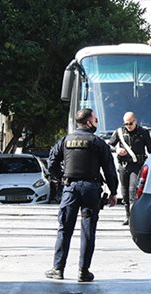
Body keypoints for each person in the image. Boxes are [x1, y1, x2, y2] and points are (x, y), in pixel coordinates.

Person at [45, 109, 118, 282]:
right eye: (95, 119)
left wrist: (61, 177)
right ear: (88, 123)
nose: (96, 122)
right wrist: (113, 192)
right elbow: (109, 169)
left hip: (70, 189)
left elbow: (52, 163)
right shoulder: (98, 142)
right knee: (88, 230)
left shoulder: (65, 140)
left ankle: (58, 269)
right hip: (91, 190)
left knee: (64, 229)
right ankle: (83, 271)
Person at [108, 111, 151, 225]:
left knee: (133, 190)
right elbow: (109, 145)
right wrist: (117, 150)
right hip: (124, 166)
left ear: (135, 121)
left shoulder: (143, 132)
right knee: (124, 193)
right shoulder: (119, 132)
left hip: (137, 166)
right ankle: (128, 216)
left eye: (130, 123)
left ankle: (134, 218)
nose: (128, 126)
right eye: (126, 124)